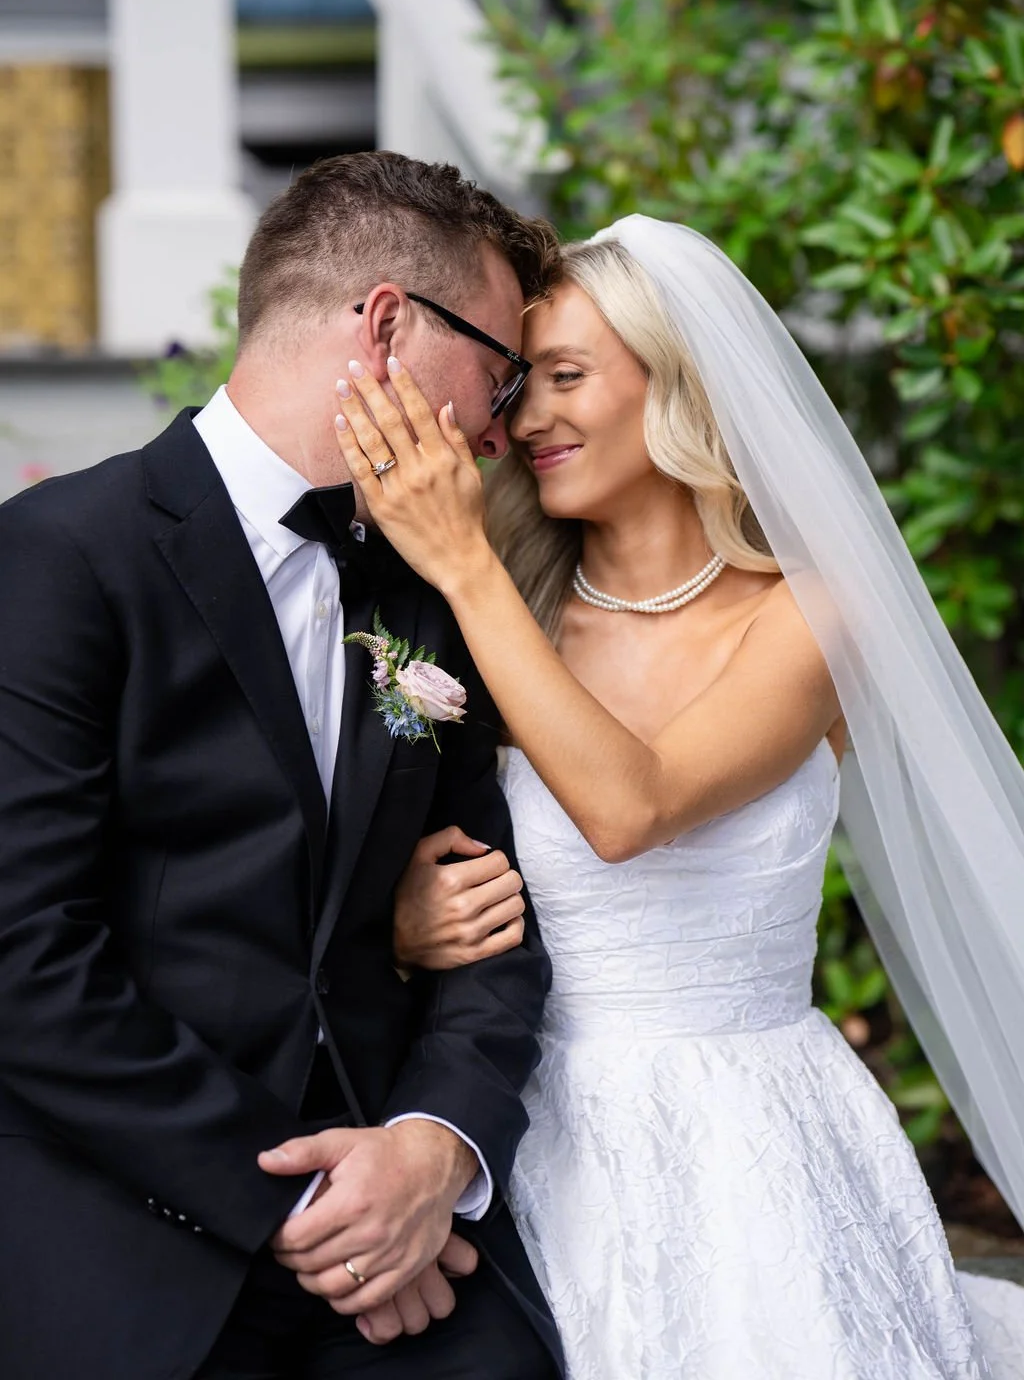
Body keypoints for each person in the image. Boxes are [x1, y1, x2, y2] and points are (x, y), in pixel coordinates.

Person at [330, 214, 1024, 1378]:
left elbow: (628, 809)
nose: (526, 420)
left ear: (683, 388)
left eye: (566, 377)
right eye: (518, 386)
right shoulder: (491, 620)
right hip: (516, 1134)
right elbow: (368, 849)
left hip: (750, 1152)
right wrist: (399, 925)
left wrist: (462, 561)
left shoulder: (804, 617)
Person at [0, 152, 565, 1380]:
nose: (498, 430)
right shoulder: (61, 556)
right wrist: (306, 1209)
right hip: (133, 1223)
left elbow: (494, 923)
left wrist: (433, 1149)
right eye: (498, 373)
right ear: (386, 324)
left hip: (394, 1216)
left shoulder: (426, 585)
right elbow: (23, 958)